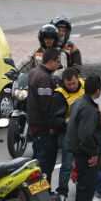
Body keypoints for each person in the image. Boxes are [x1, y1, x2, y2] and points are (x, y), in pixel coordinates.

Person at [67, 75, 101, 201]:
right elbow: (85, 134)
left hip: (79, 152)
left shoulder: (79, 103)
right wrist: (93, 153)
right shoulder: (89, 109)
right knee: (86, 189)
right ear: (98, 90)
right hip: (86, 154)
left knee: (83, 189)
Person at [27, 49, 67, 184]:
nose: (59, 65)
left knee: (37, 161)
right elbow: (46, 107)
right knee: (45, 163)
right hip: (43, 128)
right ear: (51, 61)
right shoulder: (44, 78)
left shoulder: (34, 72)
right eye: (58, 62)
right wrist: (53, 125)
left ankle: (37, 192)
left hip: (35, 126)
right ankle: (42, 193)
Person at [51, 68, 86, 201]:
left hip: (84, 131)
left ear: (78, 79)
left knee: (86, 162)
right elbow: (55, 119)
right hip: (69, 133)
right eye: (69, 84)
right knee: (67, 164)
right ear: (64, 83)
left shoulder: (84, 86)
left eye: (73, 83)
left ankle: (85, 189)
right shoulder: (59, 95)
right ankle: (62, 193)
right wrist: (67, 122)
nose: (72, 86)